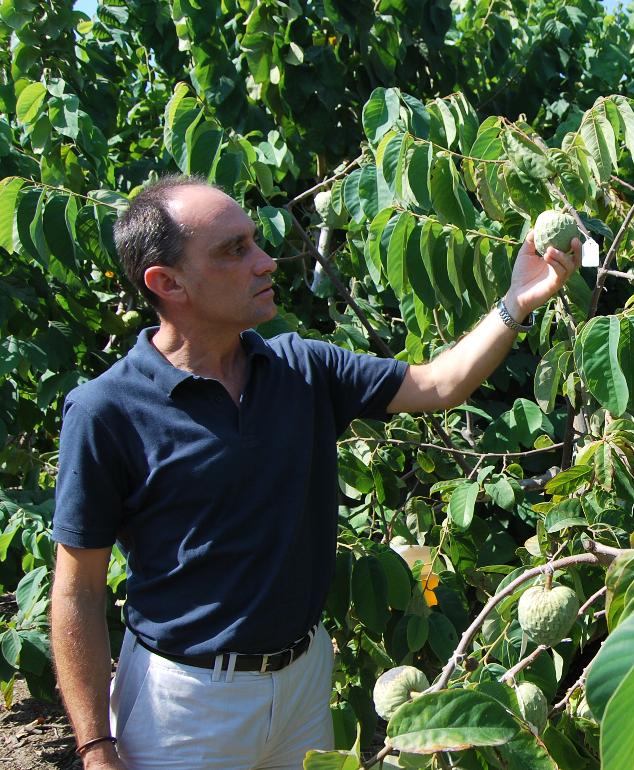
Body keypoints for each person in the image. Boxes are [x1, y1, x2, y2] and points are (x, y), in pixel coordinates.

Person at [48, 175, 580, 770]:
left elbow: (437, 383)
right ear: (166, 282)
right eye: (234, 250)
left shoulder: (300, 367)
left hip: (301, 682)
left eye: (254, 240)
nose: (264, 260)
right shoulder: (108, 410)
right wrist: (95, 745)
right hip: (186, 702)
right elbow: (77, 591)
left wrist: (517, 300)